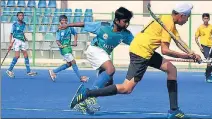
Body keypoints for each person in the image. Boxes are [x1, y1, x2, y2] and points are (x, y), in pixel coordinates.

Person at [70, 3, 202, 118]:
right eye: (187, 17)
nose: (187, 20)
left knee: (171, 70)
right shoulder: (168, 22)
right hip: (141, 52)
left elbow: (179, 42)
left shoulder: (168, 20)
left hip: (144, 49)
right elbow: (165, 50)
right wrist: (187, 57)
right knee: (126, 88)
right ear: (181, 15)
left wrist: (191, 53)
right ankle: (87, 93)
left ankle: (174, 110)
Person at [48, 15, 89, 82]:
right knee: (73, 62)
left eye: (65, 20)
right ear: (60, 21)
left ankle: (53, 71)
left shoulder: (70, 28)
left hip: (68, 47)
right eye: (62, 20)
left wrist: (75, 41)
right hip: (64, 49)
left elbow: (75, 33)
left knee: (69, 64)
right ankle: (80, 78)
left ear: (67, 21)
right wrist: (60, 45)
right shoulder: (59, 30)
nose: (64, 21)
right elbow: (57, 40)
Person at [6, 12, 37, 78]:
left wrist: (25, 38)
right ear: (17, 17)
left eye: (22, 16)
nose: (21, 17)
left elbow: (22, 32)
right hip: (16, 40)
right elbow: (11, 34)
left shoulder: (24, 24)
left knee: (26, 55)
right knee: (17, 56)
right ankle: (9, 70)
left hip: (22, 40)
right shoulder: (14, 24)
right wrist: (10, 43)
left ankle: (29, 71)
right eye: (20, 15)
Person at [195, 13, 212, 83]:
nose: (206, 20)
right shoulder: (200, 27)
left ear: (209, 19)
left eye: (207, 18)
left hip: (211, 46)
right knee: (208, 61)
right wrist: (200, 46)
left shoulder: (211, 27)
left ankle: (207, 72)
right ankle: (208, 76)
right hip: (204, 46)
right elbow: (196, 38)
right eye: (204, 18)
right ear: (202, 19)